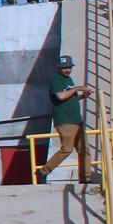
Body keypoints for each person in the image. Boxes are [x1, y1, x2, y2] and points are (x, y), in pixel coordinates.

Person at [39, 54, 94, 183]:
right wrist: (78, 88)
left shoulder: (68, 80)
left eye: (69, 67)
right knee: (67, 149)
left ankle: (85, 178)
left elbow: (70, 98)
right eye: (64, 68)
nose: (67, 70)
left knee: (84, 150)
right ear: (59, 68)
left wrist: (83, 96)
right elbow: (61, 96)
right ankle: (44, 171)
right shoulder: (56, 80)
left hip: (77, 120)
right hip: (65, 121)